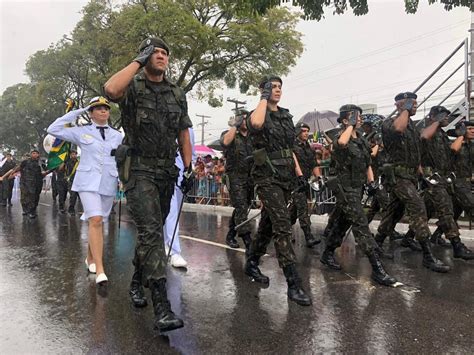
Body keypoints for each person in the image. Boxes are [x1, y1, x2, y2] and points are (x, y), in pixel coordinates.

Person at [104, 37, 192, 332]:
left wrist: (188, 167)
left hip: (166, 171)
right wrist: (137, 60)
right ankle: (162, 307)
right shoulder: (132, 87)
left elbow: (183, 133)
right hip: (138, 169)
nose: (161, 56)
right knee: (152, 232)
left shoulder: (177, 93)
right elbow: (111, 90)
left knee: (149, 234)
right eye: (155, 52)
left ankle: (135, 283)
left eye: (165, 52)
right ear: (144, 56)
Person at [245, 75, 311, 306]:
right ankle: (293, 283)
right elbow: (257, 125)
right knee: (282, 225)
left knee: (268, 224)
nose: (277, 90)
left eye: (279, 87)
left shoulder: (285, 115)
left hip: (286, 176)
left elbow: (289, 149)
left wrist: (300, 174)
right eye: (272, 87)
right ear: (262, 90)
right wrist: (263, 98)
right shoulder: (257, 113)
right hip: (266, 177)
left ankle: (251, 261)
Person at [47, 96, 123, 285]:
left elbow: (121, 159)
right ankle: (100, 270)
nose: (103, 111)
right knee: (95, 219)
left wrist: (122, 179)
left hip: (108, 181)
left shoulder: (117, 135)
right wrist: (79, 110)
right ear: (91, 112)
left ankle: (90, 258)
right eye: (97, 108)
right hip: (87, 181)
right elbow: (53, 129)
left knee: (99, 222)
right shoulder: (81, 132)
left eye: (106, 108)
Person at [320, 105, 397, 286]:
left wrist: (371, 183)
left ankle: (327, 253)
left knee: (342, 224)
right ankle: (377, 269)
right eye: (355, 116)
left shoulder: (361, 139)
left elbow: (368, 162)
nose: (359, 119)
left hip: (358, 187)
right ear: (346, 120)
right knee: (361, 224)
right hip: (345, 189)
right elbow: (341, 144)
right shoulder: (340, 136)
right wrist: (349, 126)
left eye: (359, 116)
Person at [375, 93, 450, 273]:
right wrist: (405, 110)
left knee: (394, 212)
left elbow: (419, 142)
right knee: (418, 207)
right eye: (411, 103)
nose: (415, 106)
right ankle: (428, 256)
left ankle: (376, 245)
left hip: (410, 176)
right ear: (400, 105)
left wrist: (419, 170)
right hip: (397, 177)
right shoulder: (389, 123)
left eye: (415, 103)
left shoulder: (413, 128)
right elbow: (398, 129)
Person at [414, 107, 473, 259]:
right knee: (445, 210)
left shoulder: (442, 135)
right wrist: (436, 121)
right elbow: (424, 137)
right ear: (433, 116)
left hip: (444, 177)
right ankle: (457, 245)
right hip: (432, 176)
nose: (446, 118)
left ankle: (408, 237)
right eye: (443, 115)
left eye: (447, 116)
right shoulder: (428, 130)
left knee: (431, 210)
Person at [220, 109, 254, 252]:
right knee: (240, 207)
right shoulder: (231, 134)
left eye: (247, 119)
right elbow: (226, 142)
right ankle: (248, 241)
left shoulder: (253, 137)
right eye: (243, 118)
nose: (245, 121)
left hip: (250, 177)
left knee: (243, 208)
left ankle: (231, 235)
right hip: (235, 177)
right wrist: (235, 125)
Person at [163, 127, 196, 269]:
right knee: (170, 212)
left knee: (172, 212)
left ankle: (166, 243)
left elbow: (191, 152)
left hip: (180, 174)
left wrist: (189, 171)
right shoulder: (161, 121)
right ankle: (175, 251)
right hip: (163, 172)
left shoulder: (188, 129)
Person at [291, 122, 321, 247]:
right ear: (298, 131)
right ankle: (308, 237)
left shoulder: (308, 147)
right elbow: (293, 162)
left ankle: (283, 231)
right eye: (303, 131)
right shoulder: (292, 146)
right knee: (302, 208)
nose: (306, 133)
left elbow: (314, 164)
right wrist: (300, 176)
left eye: (307, 131)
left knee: (292, 211)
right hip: (295, 182)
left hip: (305, 182)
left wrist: (319, 177)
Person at [10, 149, 46, 218]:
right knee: (26, 196)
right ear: (31, 154)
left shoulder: (41, 163)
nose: (34, 154)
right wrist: (13, 173)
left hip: (37, 182)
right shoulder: (26, 162)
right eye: (33, 153)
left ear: (38, 155)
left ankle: (33, 210)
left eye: (36, 153)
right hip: (25, 182)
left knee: (35, 197)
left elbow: (46, 170)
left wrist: (45, 173)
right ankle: (27, 210)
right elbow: (19, 167)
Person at [64, 150, 80, 215]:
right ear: (70, 155)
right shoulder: (68, 162)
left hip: (79, 181)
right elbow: (67, 172)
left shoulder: (79, 162)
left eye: (75, 154)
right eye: (72, 154)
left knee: (81, 196)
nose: (74, 155)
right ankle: (71, 209)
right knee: (73, 195)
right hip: (71, 181)